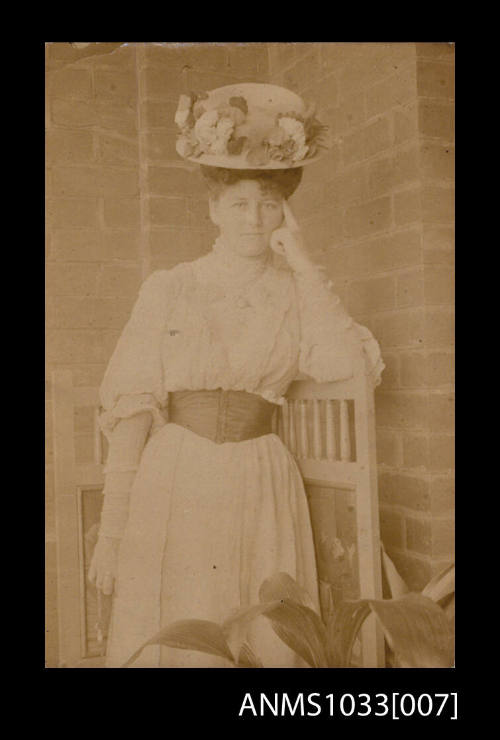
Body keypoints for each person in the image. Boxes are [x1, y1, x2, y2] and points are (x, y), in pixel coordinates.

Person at [88, 83, 384, 668]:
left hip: (260, 477)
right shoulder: (170, 288)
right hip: (177, 478)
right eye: (240, 204)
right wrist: (113, 533)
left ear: (286, 212)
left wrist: (300, 260)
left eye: (269, 204)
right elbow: (133, 412)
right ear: (213, 210)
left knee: (263, 638)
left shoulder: (298, 292)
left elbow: (349, 369)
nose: (254, 219)